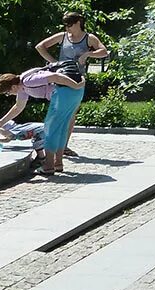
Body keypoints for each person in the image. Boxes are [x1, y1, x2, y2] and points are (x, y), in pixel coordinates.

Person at [33, 13, 107, 157]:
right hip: (60, 79)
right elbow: (40, 46)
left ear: (78, 22)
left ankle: (63, 147)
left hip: (77, 80)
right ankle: (52, 148)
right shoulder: (63, 36)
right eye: (66, 25)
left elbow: (103, 51)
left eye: (70, 25)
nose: (68, 28)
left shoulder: (89, 38)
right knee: (56, 112)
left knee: (71, 114)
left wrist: (87, 54)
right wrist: (54, 62)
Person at [39, 68, 86, 175]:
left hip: (63, 92)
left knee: (50, 129)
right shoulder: (69, 67)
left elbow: (56, 77)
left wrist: (76, 85)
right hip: (76, 92)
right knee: (63, 127)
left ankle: (49, 165)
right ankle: (58, 163)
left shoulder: (27, 81)